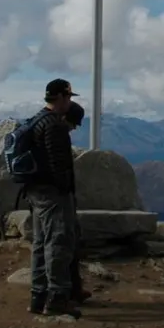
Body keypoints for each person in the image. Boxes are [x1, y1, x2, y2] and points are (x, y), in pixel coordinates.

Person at [26, 78, 82, 318]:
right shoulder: (54, 126)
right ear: (59, 97)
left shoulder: (36, 120)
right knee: (58, 242)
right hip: (52, 194)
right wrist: (65, 188)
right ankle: (58, 298)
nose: (69, 103)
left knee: (40, 243)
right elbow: (59, 163)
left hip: (35, 191)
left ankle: (38, 297)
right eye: (68, 97)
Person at [64, 100, 91, 305]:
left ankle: (71, 290)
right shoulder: (54, 133)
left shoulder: (44, 127)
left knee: (65, 243)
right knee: (63, 243)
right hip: (57, 196)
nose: (74, 128)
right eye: (75, 123)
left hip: (48, 196)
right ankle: (64, 293)